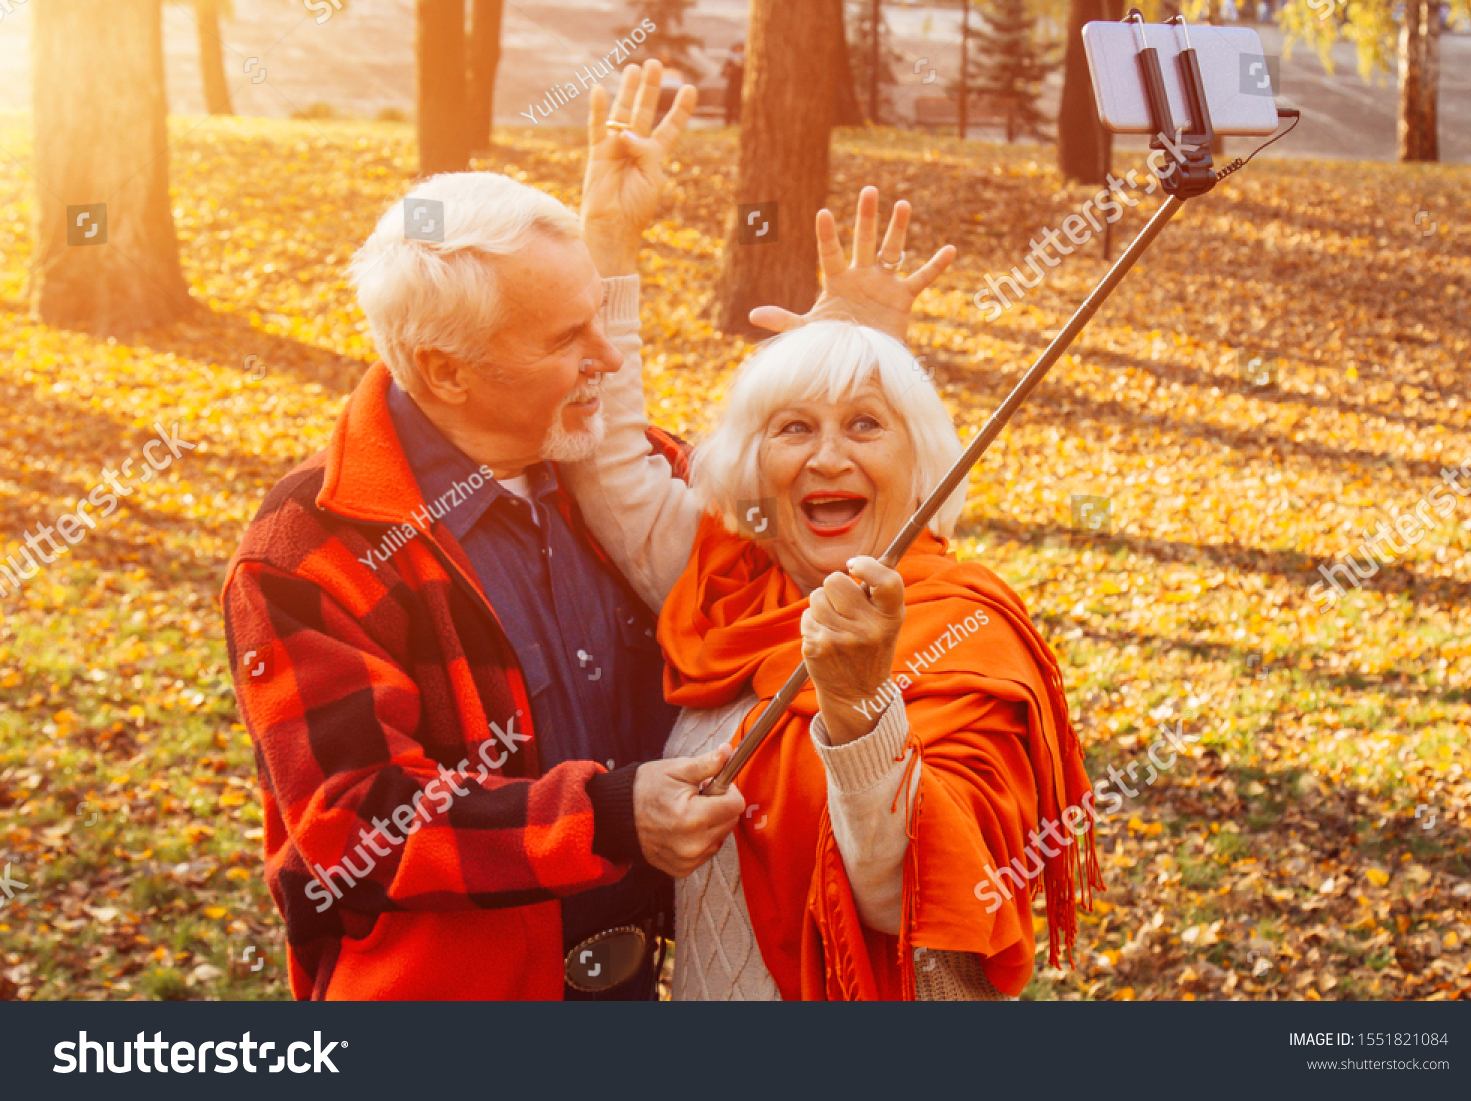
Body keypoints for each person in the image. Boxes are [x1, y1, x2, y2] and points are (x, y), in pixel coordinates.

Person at [220, 63, 758, 1001]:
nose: (607, 357)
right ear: (448, 369)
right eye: (565, 340)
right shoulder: (311, 548)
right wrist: (607, 816)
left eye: (600, 319)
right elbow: (357, 823)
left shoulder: (629, 478)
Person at [564, 191, 1103, 999]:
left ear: (921, 461)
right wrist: (608, 236)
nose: (825, 459)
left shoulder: (965, 631)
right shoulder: (732, 586)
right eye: (793, 428)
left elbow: (908, 899)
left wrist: (858, 711)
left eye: (865, 425)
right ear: (753, 467)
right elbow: (610, 464)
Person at [722, 43, 744, 125]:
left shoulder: (745, 60)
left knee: (740, 105)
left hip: (741, 86)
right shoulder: (730, 61)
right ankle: (728, 122)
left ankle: (739, 122)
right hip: (732, 86)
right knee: (729, 105)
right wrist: (732, 68)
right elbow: (724, 73)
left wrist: (741, 65)